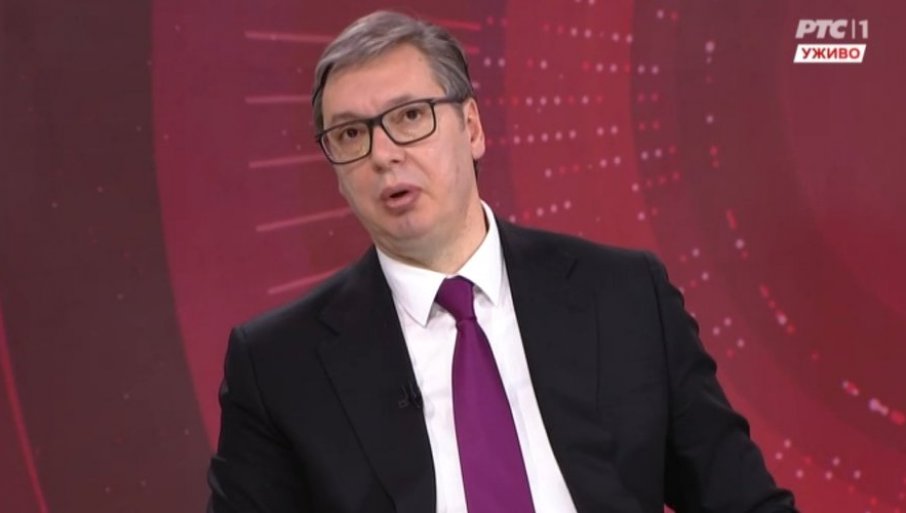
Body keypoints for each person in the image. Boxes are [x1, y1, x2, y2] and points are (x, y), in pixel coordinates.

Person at [207, 10, 797, 513]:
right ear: (336, 171)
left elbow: (743, 500)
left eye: (409, 116)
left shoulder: (625, 297)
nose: (383, 154)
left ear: (471, 128)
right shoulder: (279, 365)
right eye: (351, 134)